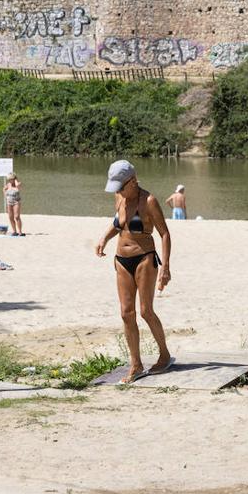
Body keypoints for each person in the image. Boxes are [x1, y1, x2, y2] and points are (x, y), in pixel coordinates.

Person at [95, 159, 174, 384]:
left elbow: (164, 234)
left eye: (121, 186)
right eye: (116, 187)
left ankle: (164, 354)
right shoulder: (119, 197)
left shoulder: (149, 201)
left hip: (144, 258)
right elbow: (119, 223)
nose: (118, 191)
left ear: (133, 181)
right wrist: (104, 238)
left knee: (146, 311)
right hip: (121, 259)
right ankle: (136, 364)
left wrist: (165, 268)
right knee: (125, 313)